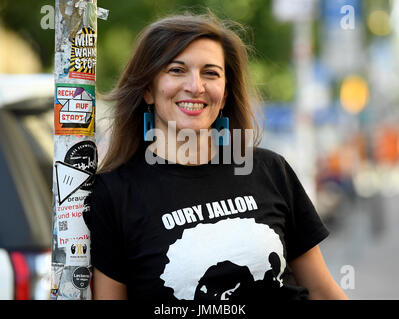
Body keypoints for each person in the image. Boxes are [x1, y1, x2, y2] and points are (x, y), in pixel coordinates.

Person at [88, 11, 348, 301]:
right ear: (148, 89)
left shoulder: (270, 170)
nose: (195, 86)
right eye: (177, 70)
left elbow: (322, 291)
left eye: (210, 73)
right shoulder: (113, 194)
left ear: (224, 94)